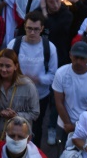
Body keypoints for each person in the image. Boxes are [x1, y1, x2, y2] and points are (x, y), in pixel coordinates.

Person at [6, 12, 58, 148]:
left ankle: (34, 153)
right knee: (14, 124)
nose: (32, 32)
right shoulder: (14, 44)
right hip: (16, 94)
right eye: (29, 28)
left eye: (36, 29)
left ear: (42, 29)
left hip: (40, 96)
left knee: (36, 127)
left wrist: (37, 79)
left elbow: (53, 75)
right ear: (24, 27)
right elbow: (5, 68)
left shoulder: (49, 48)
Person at [0, 49, 40, 138]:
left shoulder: (28, 86)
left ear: (16, 66)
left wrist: (16, 116)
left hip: (18, 138)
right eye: (1, 65)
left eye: (8, 66)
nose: (3, 69)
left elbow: (35, 113)